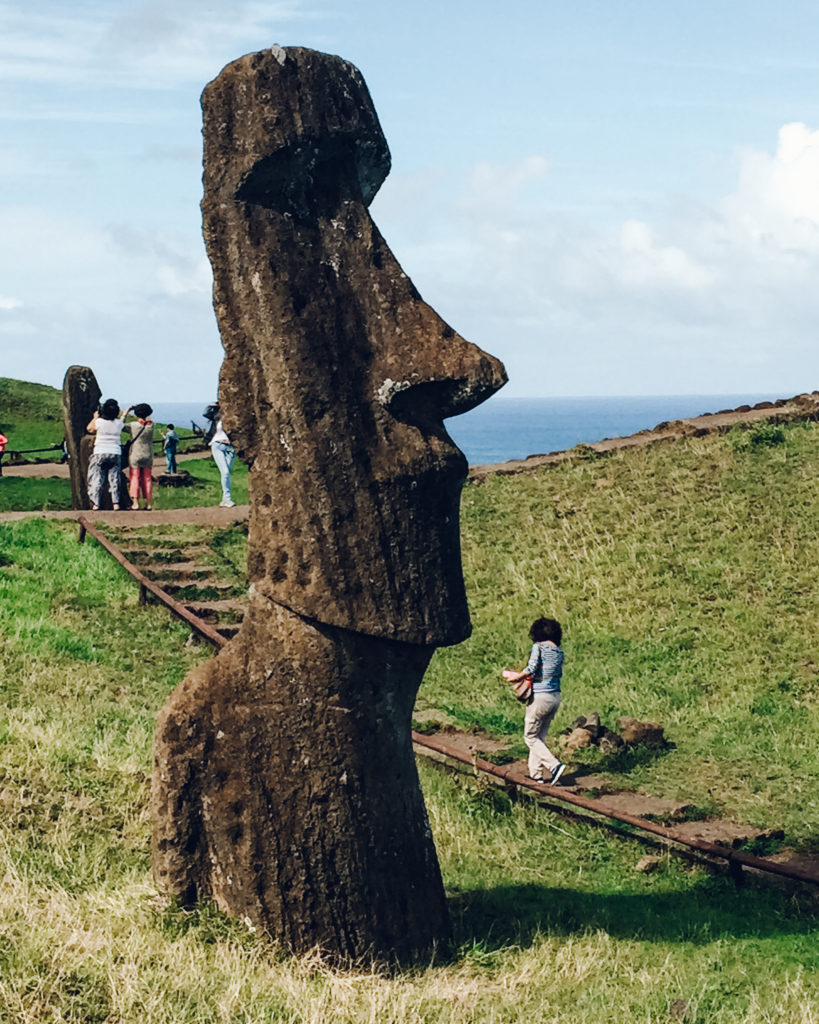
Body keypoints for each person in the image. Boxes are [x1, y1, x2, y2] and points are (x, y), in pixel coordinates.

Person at [506, 617, 567, 785]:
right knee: (540, 736)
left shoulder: (538, 647)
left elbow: (532, 668)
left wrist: (516, 677)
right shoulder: (558, 652)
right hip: (555, 697)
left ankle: (554, 766)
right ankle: (536, 775)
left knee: (530, 737)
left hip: (540, 697)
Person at [86, 399, 126, 510]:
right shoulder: (119, 423)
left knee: (97, 478)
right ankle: (116, 503)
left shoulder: (99, 422)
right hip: (115, 452)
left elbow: (90, 428)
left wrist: (95, 417)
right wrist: (125, 413)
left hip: (100, 451)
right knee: (114, 479)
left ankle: (96, 504)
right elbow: (122, 419)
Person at [125, 403, 155, 510]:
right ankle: (148, 503)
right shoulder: (151, 425)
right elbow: (148, 419)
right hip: (148, 454)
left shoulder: (133, 425)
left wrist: (126, 412)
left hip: (135, 454)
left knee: (134, 478)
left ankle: (135, 503)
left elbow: (120, 425)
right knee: (147, 479)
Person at [208, 408, 236, 507]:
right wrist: (213, 406)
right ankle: (227, 499)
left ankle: (225, 499)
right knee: (225, 472)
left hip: (231, 449)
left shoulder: (236, 419)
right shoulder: (218, 418)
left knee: (226, 474)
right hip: (218, 446)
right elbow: (206, 413)